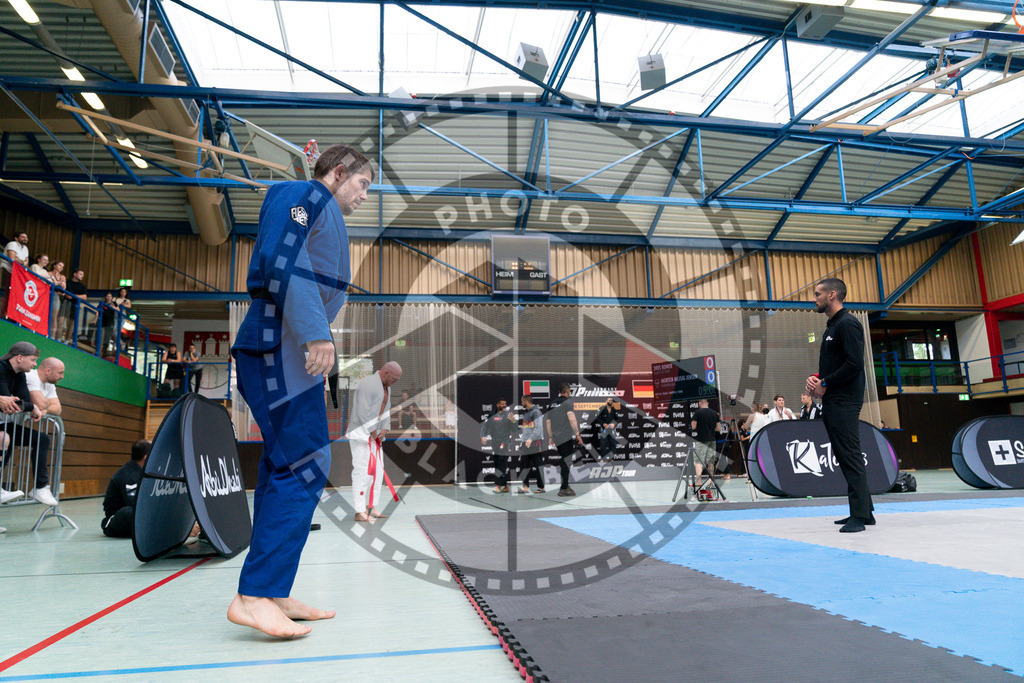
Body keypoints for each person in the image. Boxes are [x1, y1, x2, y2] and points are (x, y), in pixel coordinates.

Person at [228, 143, 372, 638]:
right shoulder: (300, 194)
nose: (364, 195)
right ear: (338, 172)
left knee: (283, 464)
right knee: (305, 462)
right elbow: (282, 260)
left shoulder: (323, 210)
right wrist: (315, 332)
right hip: (278, 345)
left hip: (289, 354)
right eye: (362, 183)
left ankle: (271, 589)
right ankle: (253, 594)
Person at [806, 277, 874, 534]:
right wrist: (817, 379)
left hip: (845, 399)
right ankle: (865, 512)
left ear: (832, 295)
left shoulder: (848, 324)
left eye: (818, 294)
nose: (814, 298)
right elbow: (837, 365)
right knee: (845, 455)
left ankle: (859, 515)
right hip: (835, 397)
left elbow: (855, 363)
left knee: (850, 455)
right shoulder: (832, 326)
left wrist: (826, 382)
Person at [0, 342, 57, 508]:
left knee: (42, 439)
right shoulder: (1, 368)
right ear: (19, 357)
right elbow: (7, 401)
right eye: (32, 360)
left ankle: (40, 487)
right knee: (4, 438)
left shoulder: (19, 375)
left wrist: (30, 406)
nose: (34, 365)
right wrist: (32, 407)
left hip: (2, 424)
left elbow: (23, 400)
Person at [347, 362, 402, 522]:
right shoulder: (367, 384)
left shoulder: (387, 388)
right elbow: (362, 411)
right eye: (394, 379)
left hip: (375, 436)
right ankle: (359, 510)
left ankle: (370, 507)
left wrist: (385, 428)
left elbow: (386, 409)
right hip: (361, 434)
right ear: (385, 373)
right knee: (362, 471)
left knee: (377, 471)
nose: (395, 382)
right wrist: (373, 432)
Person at [101, 439, 149, 538]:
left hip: (133, 516)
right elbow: (136, 506)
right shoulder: (127, 475)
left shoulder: (144, 472)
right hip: (117, 519)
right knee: (131, 512)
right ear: (146, 456)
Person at [545, 383, 583, 497]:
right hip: (565, 436)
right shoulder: (568, 402)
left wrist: (551, 436)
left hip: (556, 437)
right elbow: (571, 417)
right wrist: (577, 434)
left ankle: (565, 485)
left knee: (564, 460)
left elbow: (548, 422)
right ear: (567, 391)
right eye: (569, 391)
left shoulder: (552, 404)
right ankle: (564, 488)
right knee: (566, 461)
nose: (569, 393)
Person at [481, 398, 517, 493]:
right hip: (495, 443)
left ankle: (498, 485)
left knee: (502, 463)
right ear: (497, 405)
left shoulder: (509, 415)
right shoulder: (492, 414)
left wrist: (514, 421)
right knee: (497, 464)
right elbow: (485, 426)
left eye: (505, 404)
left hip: (504, 443)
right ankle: (505, 486)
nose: (504, 405)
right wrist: (483, 436)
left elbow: (515, 430)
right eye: (502, 404)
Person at [516, 394, 545, 494]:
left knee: (538, 465)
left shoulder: (536, 412)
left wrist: (530, 439)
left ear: (526, 401)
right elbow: (526, 430)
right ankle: (525, 487)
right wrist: (523, 441)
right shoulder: (526, 413)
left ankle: (541, 487)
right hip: (526, 443)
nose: (521, 403)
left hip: (534, 442)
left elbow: (538, 428)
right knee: (523, 464)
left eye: (522, 401)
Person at [690, 398, 722, 481]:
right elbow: (718, 428)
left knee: (698, 461)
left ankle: (699, 480)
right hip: (712, 439)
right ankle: (710, 480)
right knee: (710, 461)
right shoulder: (715, 413)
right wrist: (710, 428)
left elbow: (693, 427)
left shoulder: (697, 413)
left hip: (701, 440)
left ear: (700, 404)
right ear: (707, 403)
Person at [63, 269, 87, 344]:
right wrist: (65, 295)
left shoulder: (82, 286)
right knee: (61, 320)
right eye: (80, 274)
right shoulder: (67, 282)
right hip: (64, 303)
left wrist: (74, 296)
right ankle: (57, 337)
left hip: (75, 305)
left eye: (82, 275)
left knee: (71, 323)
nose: (82, 276)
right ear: (75, 274)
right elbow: (60, 290)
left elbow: (84, 297)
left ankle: (67, 340)